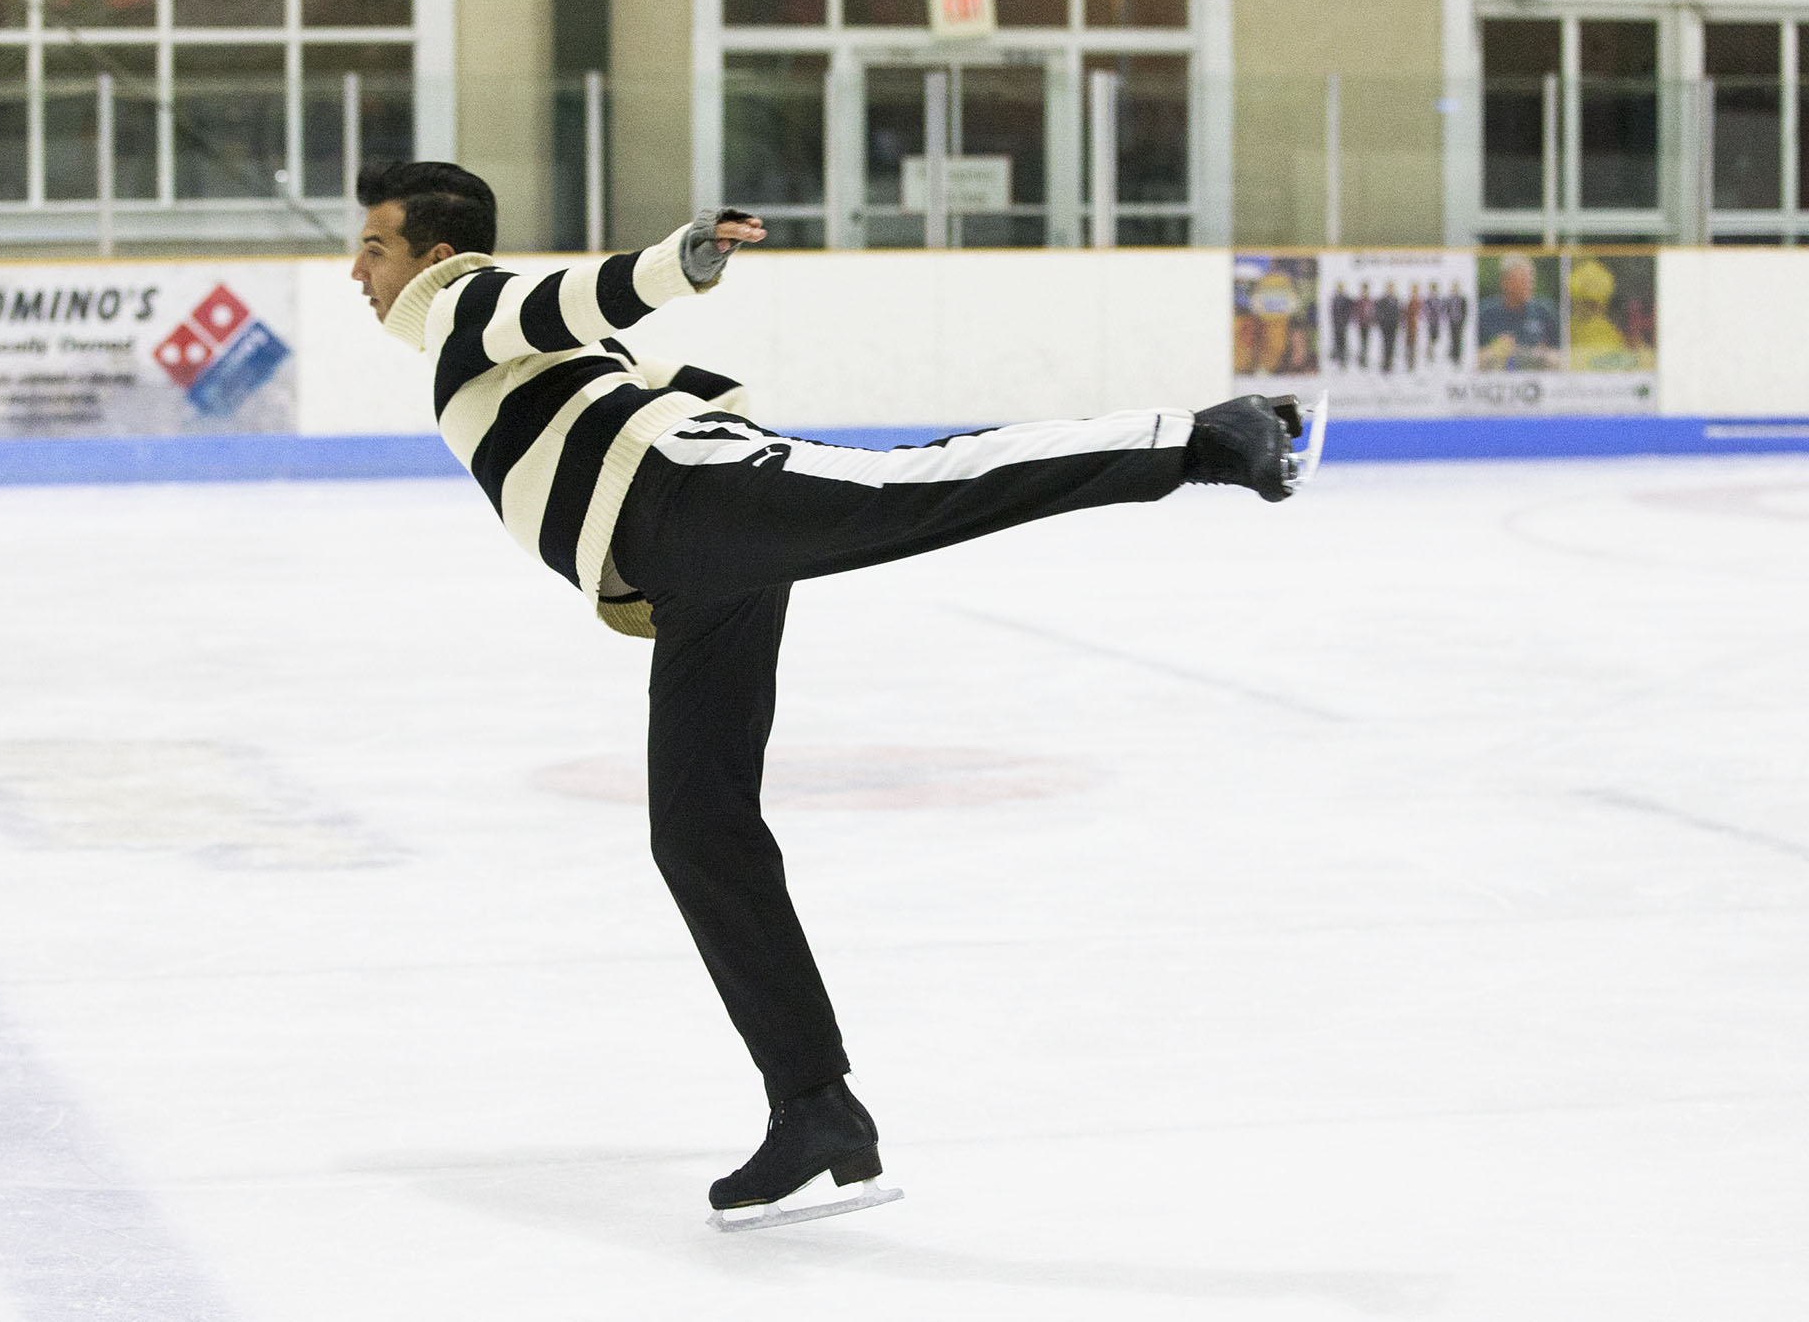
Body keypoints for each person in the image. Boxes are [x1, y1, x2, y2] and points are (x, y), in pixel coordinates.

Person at [348, 160, 1317, 1228]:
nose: (360, 270)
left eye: (376, 248)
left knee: (922, 484)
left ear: (436, 256)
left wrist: (680, 262)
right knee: (697, 834)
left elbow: (566, 296)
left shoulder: (460, 306)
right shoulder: (488, 345)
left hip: (692, 502)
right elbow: (612, 357)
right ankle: (815, 1110)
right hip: (685, 567)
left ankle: (1202, 436)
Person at [1477, 253, 1561, 371]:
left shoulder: (1544, 311)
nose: (1528, 286)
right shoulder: (1485, 313)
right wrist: (1494, 350)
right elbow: (1467, 360)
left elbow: (1565, 357)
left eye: (1530, 280)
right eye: (1522, 281)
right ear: (1504, 282)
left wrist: (1543, 355)